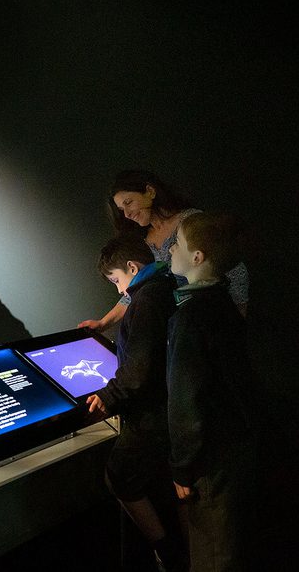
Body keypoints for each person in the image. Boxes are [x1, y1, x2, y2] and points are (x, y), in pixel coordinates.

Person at [86, 235, 188, 572]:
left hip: (153, 412)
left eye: (117, 280)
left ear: (132, 268)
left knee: (120, 475)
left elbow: (140, 366)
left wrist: (109, 396)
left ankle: (167, 550)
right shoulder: (166, 285)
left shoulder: (146, 300)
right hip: (169, 405)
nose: (118, 290)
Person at [166, 212, 258, 572]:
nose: (170, 249)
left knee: (212, 550)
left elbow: (186, 400)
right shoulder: (223, 304)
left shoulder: (190, 317)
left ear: (197, 257)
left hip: (210, 456)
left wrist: (182, 466)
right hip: (236, 446)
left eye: (177, 243)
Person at [79, 170, 249, 331]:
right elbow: (138, 287)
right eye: (122, 210)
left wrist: (237, 318)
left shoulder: (189, 223)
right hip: (180, 323)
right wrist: (103, 323)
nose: (127, 214)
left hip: (211, 318)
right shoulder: (144, 241)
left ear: (150, 191)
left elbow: (235, 271)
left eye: (128, 203)